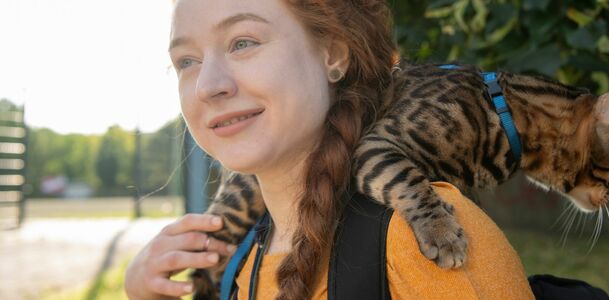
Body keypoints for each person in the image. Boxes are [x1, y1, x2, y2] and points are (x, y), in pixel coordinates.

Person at [124, 0, 534, 299]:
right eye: (186, 61)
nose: (208, 85)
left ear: (334, 55)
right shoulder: (240, 256)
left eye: (243, 42)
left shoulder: (422, 239)